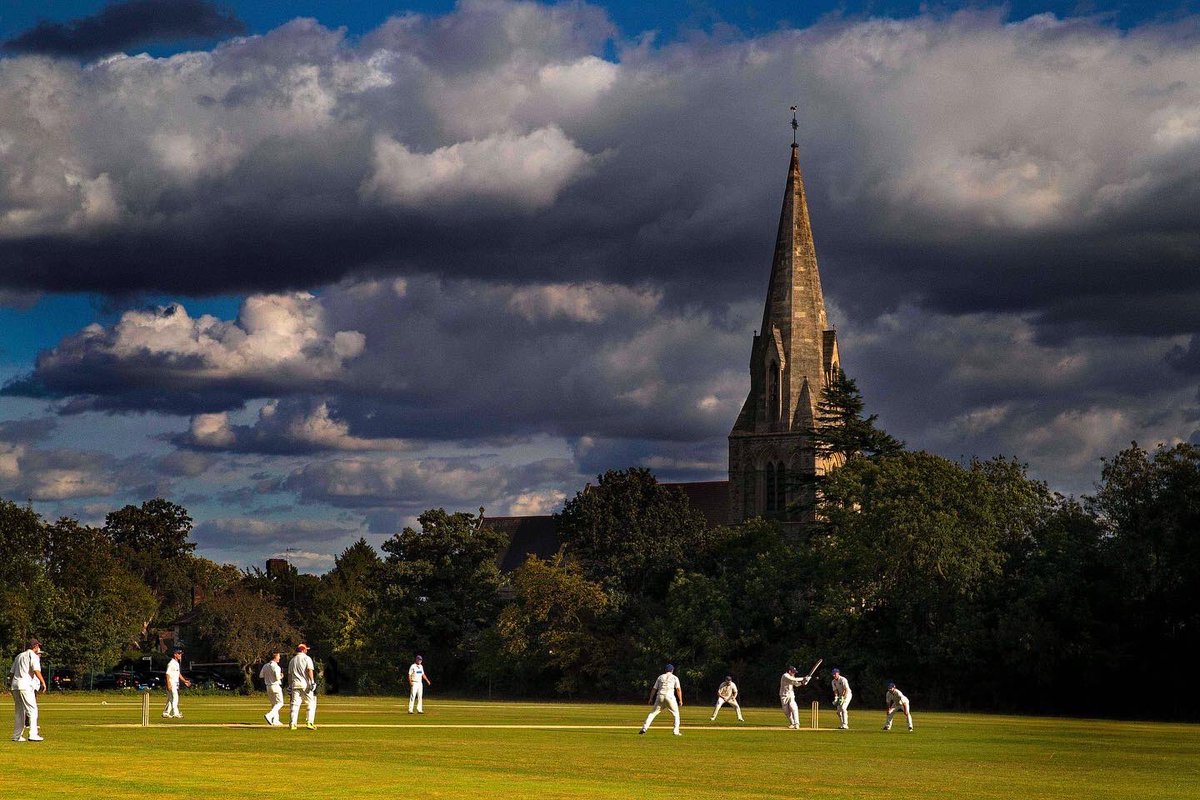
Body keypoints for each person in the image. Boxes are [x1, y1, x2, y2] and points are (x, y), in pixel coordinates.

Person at [11, 639, 46, 742]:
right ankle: (33, 734)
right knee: (32, 710)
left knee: (19, 711)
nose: (38, 648)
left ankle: (16, 736)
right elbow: (36, 670)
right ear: (35, 646)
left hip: (15, 685)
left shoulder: (19, 656)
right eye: (38, 646)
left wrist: (12, 684)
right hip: (25, 685)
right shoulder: (33, 656)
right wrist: (43, 682)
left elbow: (12, 673)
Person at [639, 663, 683, 736]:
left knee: (652, 713)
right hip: (670, 697)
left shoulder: (660, 677)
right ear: (672, 670)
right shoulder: (675, 678)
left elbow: (654, 688)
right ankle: (676, 731)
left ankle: (644, 728)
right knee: (676, 714)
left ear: (665, 670)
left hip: (660, 696)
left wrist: (650, 698)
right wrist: (680, 700)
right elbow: (678, 689)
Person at [288, 643, 317, 730]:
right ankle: (309, 722)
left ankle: (293, 724)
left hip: (295, 684)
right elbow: (309, 670)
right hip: (306, 684)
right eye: (306, 649)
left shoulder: (292, 660)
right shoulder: (307, 658)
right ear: (303, 650)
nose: (307, 651)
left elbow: (289, 675)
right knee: (311, 703)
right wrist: (312, 682)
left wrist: (289, 685)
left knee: (295, 704)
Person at [162, 649, 191, 719]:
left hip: (175, 683)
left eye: (181, 654)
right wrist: (169, 684)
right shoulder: (171, 663)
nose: (180, 655)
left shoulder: (176, 663)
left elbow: (178, 674)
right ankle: (176, 713)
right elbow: (167, 674)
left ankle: (166, 713)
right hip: (171, 683)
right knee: (175, 697)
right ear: (175, 654)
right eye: (179, 654)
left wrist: (184, 681)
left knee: (171, 699)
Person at [259, 652, 284, 726]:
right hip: (275, 686)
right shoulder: (276, 667)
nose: (279, 658)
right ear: (275, 657)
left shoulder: (265, 666)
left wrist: (268, 676)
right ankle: (269, 715)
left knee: (274, 704)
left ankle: (275, 720)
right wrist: (281, 676)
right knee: (280, 703)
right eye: (278, 656)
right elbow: (277, 677)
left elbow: (261, 675)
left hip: (268, 686)